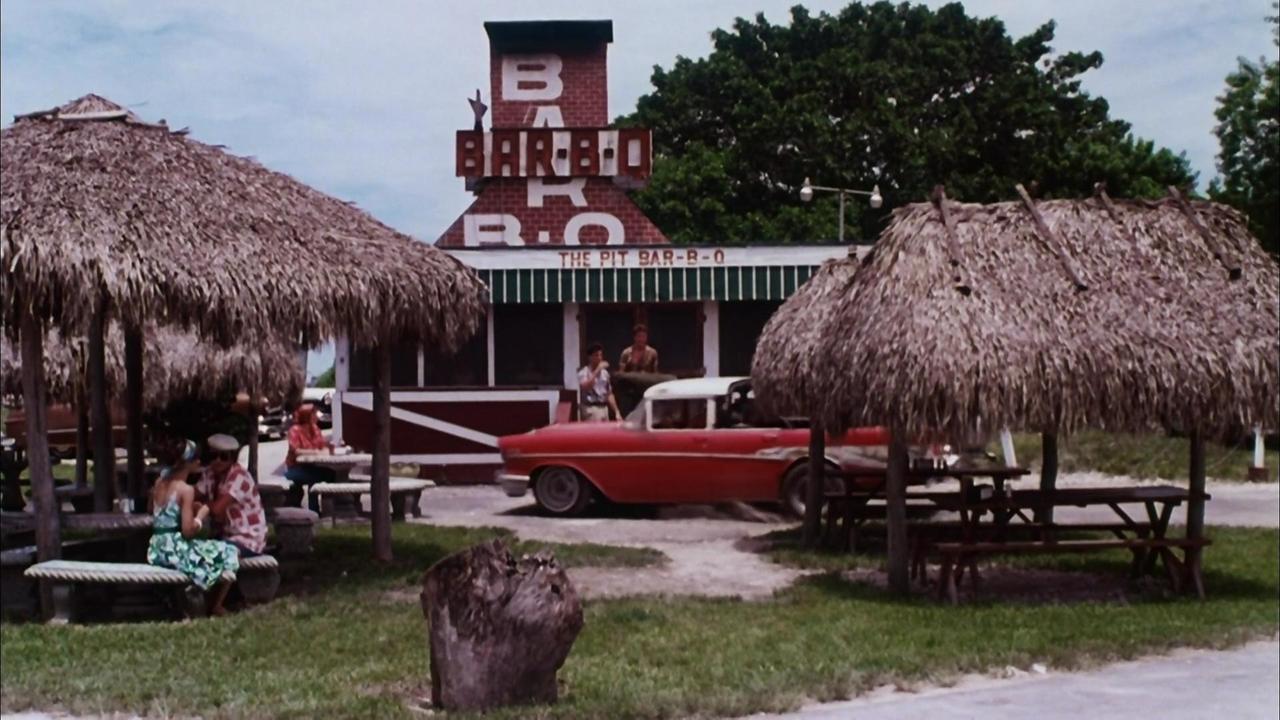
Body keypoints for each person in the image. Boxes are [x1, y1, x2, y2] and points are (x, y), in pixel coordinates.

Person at [147, 438, 239, 616]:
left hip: (157, 548)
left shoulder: (159, 483)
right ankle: (202, 595)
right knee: (229, 551)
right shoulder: (185, 490)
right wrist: (200, 516)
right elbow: (187, 531)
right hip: (175, 549)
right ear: (189, 463)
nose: (199, 462)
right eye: (197, 459)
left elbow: (152, 509)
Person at [196, 434, 268, 558]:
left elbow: (217, 509)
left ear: (232, 459)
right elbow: (194, 493)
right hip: (226, 536)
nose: (218, 461)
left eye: (223, 457)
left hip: (247, 539)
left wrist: (202, 505)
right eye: (213, 456)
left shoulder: (239, 476)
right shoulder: (209, 473)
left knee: (207, 555)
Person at [285, 404, 335, 511]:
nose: (316, 416)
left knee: (332, 475)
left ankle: (330, 507)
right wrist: (315, 452)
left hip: (313, 466)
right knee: (314, 478)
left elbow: (322, 446)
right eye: (313, 414)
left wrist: (326, 449)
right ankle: (314, 510)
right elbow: (296, 451)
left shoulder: (315, 429)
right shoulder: (294, 430)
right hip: (295, 468)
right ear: (306, 416)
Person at [577, 342, 620, 421]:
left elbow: (609, 394)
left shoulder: (605, 373)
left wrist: (617, 411)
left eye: (600, 355)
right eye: (596, 355)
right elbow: (586, 387)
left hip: (603, 407)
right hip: (591, 408)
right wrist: (597, 370)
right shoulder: (584, 372)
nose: (599, 358)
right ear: (590, 357)